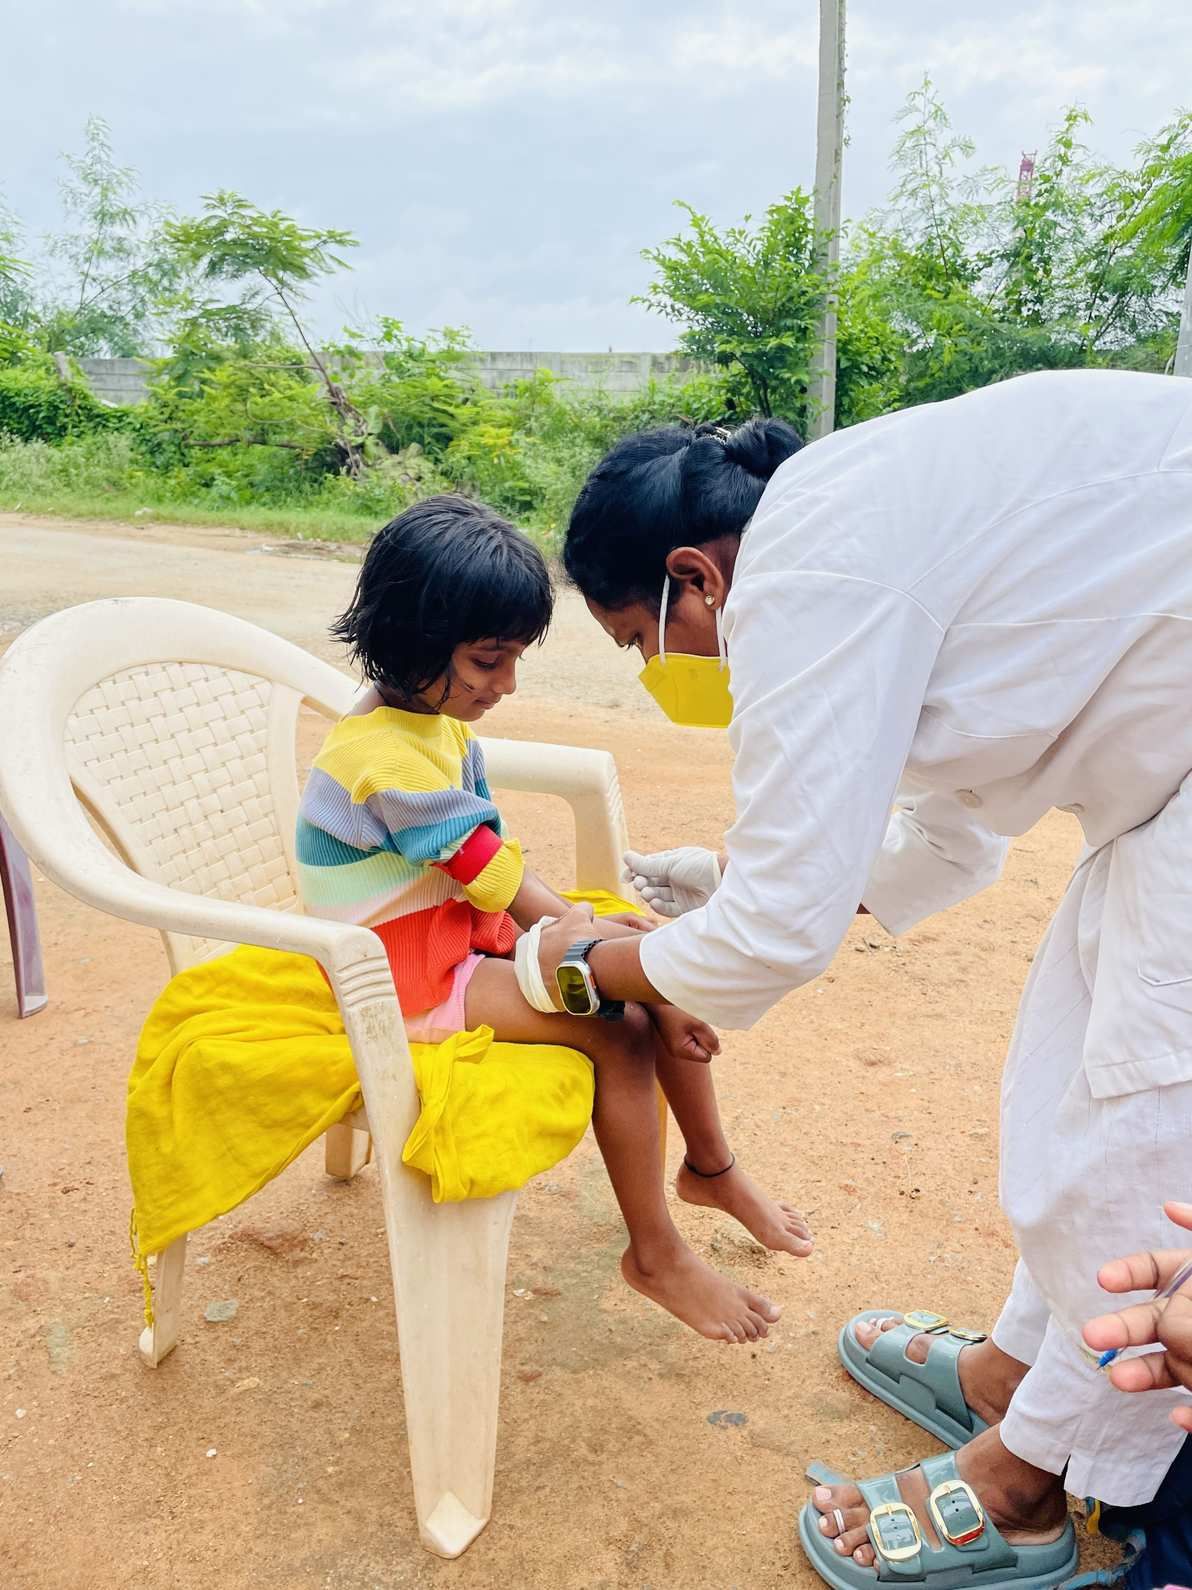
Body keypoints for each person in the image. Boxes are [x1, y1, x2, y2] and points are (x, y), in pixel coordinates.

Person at [531, 372, 1192, 1584]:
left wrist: (578, 966)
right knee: (1063, 1092)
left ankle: (1032, 1480)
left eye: (639, 639)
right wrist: (715, 882)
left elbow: (780, 933)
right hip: (1161, 795)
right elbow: (948, 836)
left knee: (1140, 1128)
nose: (652, 669)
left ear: (695, 576)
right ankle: (1013, 1371)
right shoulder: (857, 525)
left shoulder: (805, 568)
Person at [297, 494, 813, 1344]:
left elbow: (488, 878)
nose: (505, 686)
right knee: (617, 1021)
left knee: (641, 950)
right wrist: (583, 930)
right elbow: (490, 875)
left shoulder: (424, 716)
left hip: (454, 937)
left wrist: (607, 936)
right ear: (415, 639)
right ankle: (654, 1252)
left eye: (511, 661)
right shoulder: (381, 757)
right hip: (400, 979)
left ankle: (712, 1167)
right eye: (486, 662)